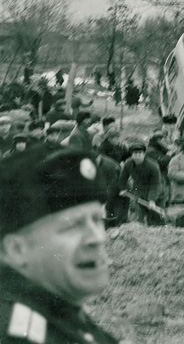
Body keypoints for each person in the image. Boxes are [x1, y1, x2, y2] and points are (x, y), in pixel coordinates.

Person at [0, 145, 119, 343]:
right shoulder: (18, 334)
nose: (98, 237)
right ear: (17, 250)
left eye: (98, 220)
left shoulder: (57, 313)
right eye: (74, 225)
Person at [119, 143, 163, 226]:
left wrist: (152, 200)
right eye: (135, 154)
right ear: (132, 155)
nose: (137, 156)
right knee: (139, 217)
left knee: (154, 219)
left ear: (144, 154)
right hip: (139, 192)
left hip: (156, 192)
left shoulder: (153, 166)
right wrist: (123, 189)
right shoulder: (128, 163)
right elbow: (123, 178)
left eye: (140, 154)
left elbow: (155, 184)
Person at [97, 152, 127, 228]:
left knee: (119, 216)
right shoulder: (96, 164)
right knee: (108, 211)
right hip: (109, 190)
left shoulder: (109, 167)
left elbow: (114, 185)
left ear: (98, 157)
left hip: (122, 191)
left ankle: (120, 231)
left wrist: (104, 201)